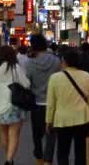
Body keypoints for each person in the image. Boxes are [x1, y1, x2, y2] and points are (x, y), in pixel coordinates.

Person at [46, 47, 89, 165]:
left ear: (64, 61)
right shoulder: (87, 76)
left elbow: (51, 103)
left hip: (62, 120)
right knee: (81, 152)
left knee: (63, 152)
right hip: (83, 119)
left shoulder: (55, 78)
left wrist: (48, 121)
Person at [0, 46, 31, 165]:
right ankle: (9, 159)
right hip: (14, 105)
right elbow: (26, 84)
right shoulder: (15, 68)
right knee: (14, 134)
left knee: (4, 134)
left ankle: (8, 157)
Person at [26, 34, 61, 165]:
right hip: (53, 103)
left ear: (33, 47)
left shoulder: (31, 63)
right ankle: (48, 160)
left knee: (37, 133)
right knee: (51, 133)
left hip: (37, 103)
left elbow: (27, 81)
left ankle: (39, 157)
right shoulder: (56, 61)